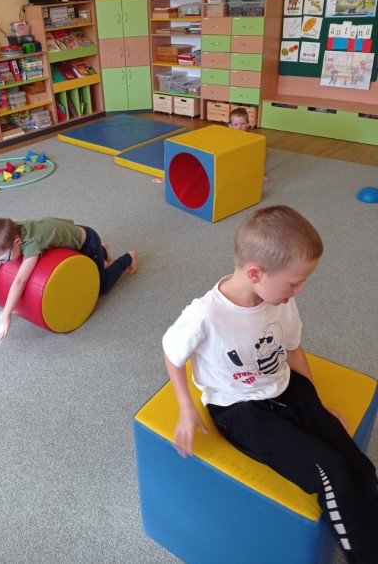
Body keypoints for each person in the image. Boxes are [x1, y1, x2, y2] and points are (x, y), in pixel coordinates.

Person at [163, 205, 378, 563]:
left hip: (286, 386)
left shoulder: (279, 299)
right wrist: (187, 409)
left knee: (363, 470)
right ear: (255, 273)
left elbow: (292, 349)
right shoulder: (204, 314)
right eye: (294, 282)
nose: (300, 289)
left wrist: (317, 407)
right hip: (237, 408)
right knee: (331, 473)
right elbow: (172, 353)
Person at [0, 217, 137, 340]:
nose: (2, 263)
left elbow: (20, 281)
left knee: (101, 285)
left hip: (87, 243)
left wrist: (6, 314)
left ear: (17, 242)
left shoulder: (31, 243)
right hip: (70, 238)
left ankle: (128, 259)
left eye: (4, 258)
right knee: (90, 266)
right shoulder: (10, 234)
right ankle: (102, 252)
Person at [229, 107, 270, 183]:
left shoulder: (251, 137)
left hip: (247, 159)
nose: (239, 127)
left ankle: (259, 174)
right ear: (230, 126)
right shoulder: (229, 138)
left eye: (242, 124)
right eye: (236, 124)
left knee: (263, 152)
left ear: (248, 124)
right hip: (235, 161)